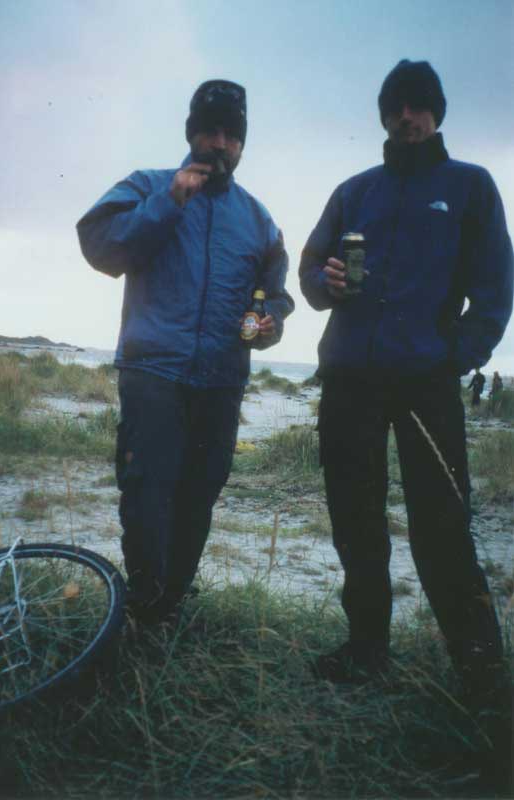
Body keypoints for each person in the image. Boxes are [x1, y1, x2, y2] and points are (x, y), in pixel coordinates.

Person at [299, 60, 512, 788]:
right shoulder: (354, 190)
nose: (408, 119)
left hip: (425, 386)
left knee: (442, 529)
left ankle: (482, 682)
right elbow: (309, 269)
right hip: (350, 382)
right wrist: (320, 280)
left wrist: (454, 358)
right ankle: (365, 650)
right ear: (384, 114)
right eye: (397, 108)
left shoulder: (470, 186)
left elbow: (494, 289)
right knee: (355, 521)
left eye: (421, 108)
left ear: (437, 115)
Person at [77, 79, 294, 624]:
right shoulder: (146, 185)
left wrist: (273, 325)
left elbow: (277, 292)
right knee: (148, 492)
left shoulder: (258, 218)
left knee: (200, 493)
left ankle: (172, 599)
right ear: (192, 134)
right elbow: (101, 248)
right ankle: (146, 601)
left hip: (222, 378)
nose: (219, 143)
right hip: (153, 371)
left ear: (241, 144)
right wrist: (167, 203)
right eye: (209, 130)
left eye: (230, 134)